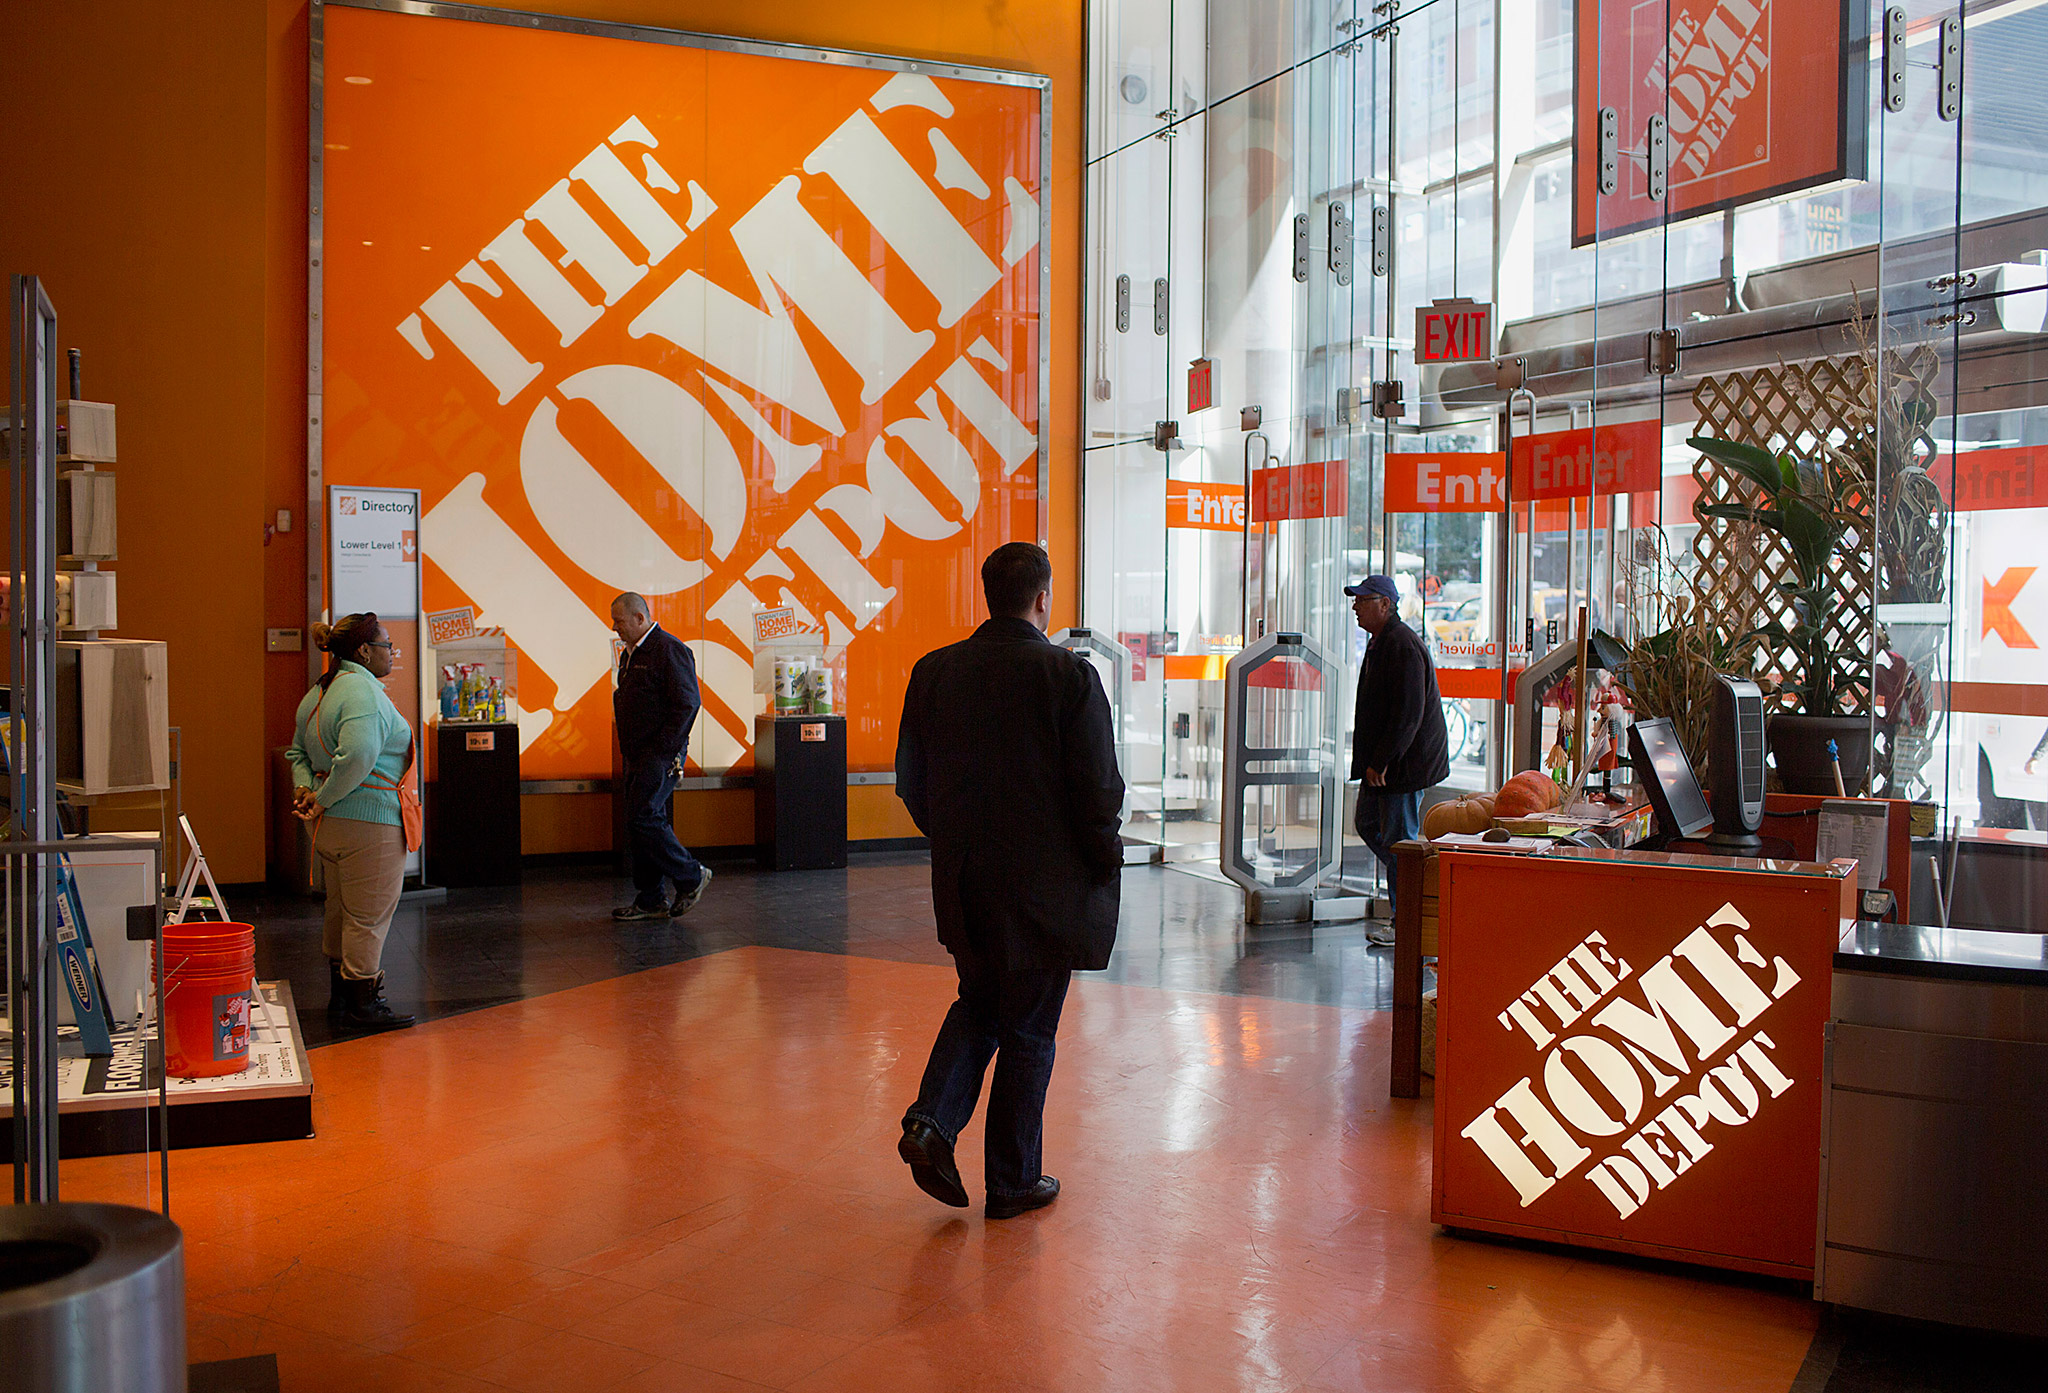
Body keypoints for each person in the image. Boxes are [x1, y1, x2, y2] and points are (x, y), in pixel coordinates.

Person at [894, 542, 1125, 1220]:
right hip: (1043, 889)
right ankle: (1014, 1180)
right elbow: (1098, 790)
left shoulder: (934, 671)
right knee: (1028, 1025)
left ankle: (931, 1121)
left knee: (984, 999)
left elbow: (912, 781)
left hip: (963, 881)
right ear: (1043, 597)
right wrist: (1102, 857)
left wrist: (954, 839)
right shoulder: (1068, 677)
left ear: (988, 593)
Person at [287, 613, 419, 1030]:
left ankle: (340, 1001)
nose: (391, 652)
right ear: (364, 651)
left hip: (333, 828)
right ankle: (364, 1005)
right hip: (371, 824)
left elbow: (298, 755)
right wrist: (321, 799)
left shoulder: (320, 693)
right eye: (386, 644)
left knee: (341, 910)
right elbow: (358, 756)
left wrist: (309, 793)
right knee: (368, 916)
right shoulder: (361, 692)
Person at [1346, 574, 1449, 937]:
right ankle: (1414, 885)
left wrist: (1383, 761)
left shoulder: (1402, 645)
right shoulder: (1381, 642)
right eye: (1355, 600)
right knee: (1368, 825)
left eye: (1363, 600)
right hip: (1386, 763)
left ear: (1386, 605)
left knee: (1400, 841)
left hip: (1401, 767)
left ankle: (1406, 923)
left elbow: (1408, 714)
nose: (1355, 607)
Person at [609, 592, 712, 921]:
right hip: (637, 752)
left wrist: (665, 749)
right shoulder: (630, 653)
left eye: (619, 621)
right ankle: (651, 897)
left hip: (659, 753)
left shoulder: (669, 649)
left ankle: (691, 876)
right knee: (640, 822)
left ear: (640, 618)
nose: (615, 628)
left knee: (645, 818)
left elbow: (688, 703)